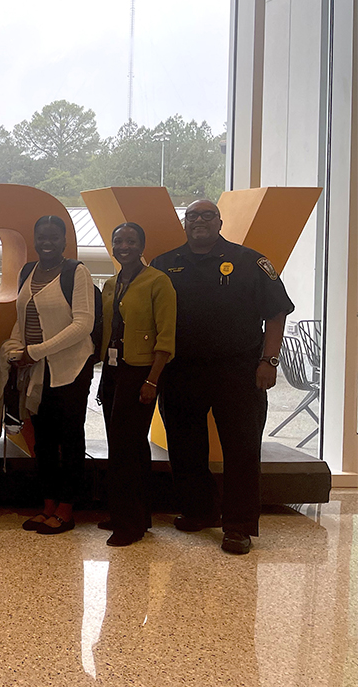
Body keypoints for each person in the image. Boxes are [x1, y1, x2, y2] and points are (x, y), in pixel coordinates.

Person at [152, 199, 293, 555]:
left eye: (206, 215)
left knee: (242, 451)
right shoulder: (165, 264)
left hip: (240, 371)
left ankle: (239, 526)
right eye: (192, 217)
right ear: (185, 224)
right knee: (185, 448)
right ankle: (200, 512)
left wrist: (269, 361)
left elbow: (276, 313)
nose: (199, 221)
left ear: (219, 221)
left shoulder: (250, 261)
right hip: (181, 371)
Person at [7, 216, 97, 535]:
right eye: (41, 236)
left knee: (69, 440)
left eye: (54, 237)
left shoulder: (77, 272)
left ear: (64, 240)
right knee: (42, 439)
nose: (47, 242)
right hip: (35, 370)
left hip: (71, 369)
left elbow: (83, 324)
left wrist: (38, 350)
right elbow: (22, 318)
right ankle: (47, 505)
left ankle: (67, 509)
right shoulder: (27, 271)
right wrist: (17, 347)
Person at [98, 221, 176, 547]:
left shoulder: (159, 282)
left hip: (141, 372)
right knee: (129, 446)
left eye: (131, 241)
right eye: (119, 241)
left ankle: (127, 525)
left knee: (125, 449)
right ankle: (138, 516)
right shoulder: (111, 283)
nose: (124, 246)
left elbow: (167, 339)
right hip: (114, 371)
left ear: (142, 246)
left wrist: (151, 381)